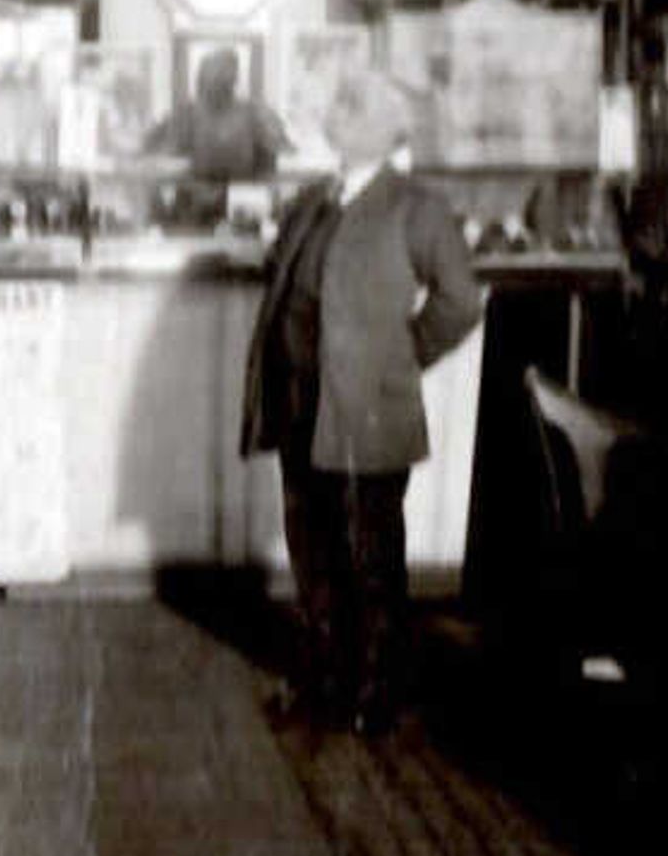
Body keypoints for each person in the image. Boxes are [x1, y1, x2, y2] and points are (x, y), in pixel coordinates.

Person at [240, 68, 485, 734]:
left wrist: (403, 357)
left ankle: (375, 693)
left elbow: (461, 302)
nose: (337, 113)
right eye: (341, 101)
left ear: (386, 129)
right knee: (312, 549)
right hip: (299, 406)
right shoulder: (316, 199)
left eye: (354, 106)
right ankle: (322, 679)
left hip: (366, 412)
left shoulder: (416, 207)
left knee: (369, 558)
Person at [146, 45, 294, 180]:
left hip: (245, 194)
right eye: (213, 74)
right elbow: (152, 148)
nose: (218, 80)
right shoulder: (186, 113)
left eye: (224, 75)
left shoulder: (255, 112)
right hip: (194, 195)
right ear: (201, 78)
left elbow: (283, 153)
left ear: (234, 80)